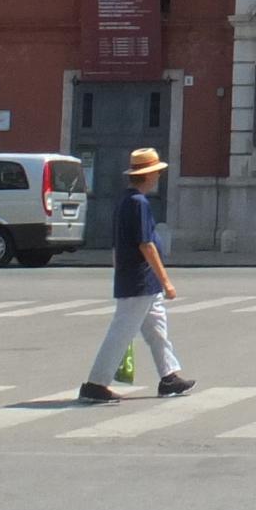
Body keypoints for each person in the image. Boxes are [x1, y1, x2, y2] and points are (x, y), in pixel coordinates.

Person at [79, 147, 193, 404]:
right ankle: (95, 384)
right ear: (149, 176)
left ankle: (169, 377)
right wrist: (166, 280)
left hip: (141, 281)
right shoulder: (137, 203)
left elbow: (119, 244)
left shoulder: (125, 200)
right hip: (139, 280)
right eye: (156, 173)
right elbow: (146, 244)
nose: (158, 178)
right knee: (121, 332)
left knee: (157, 331)